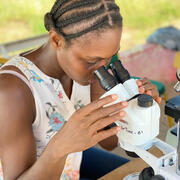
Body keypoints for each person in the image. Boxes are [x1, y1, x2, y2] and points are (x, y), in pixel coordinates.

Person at [0, 0, 161, 180]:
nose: (102, 69)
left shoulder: (93, 69)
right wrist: (59, 148)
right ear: (56, 40)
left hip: (72, 162)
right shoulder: (12, 91)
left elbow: (109, 141)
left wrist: (135, 112)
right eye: (92, 61)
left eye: (110, 58)